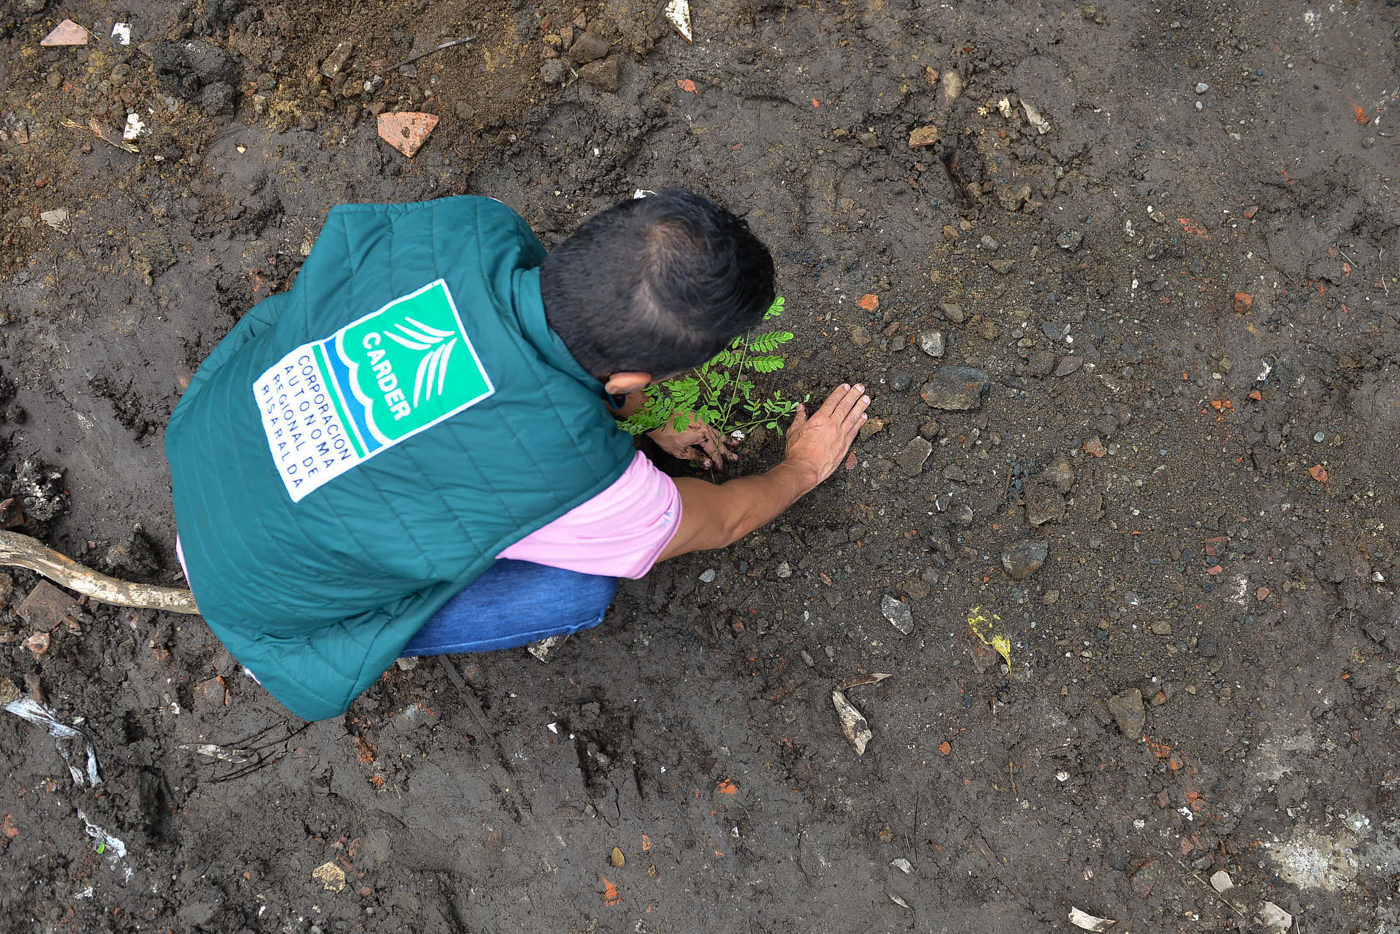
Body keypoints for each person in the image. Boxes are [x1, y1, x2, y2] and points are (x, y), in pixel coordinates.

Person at [165, 189, 870, 721]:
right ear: (632, 382)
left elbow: (515, 367)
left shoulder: (474, 225)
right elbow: (714, 521)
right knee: (577, 588)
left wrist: (631, 414)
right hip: (277, 615)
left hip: (215, 461)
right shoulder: (584, 479)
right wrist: (802, 467)